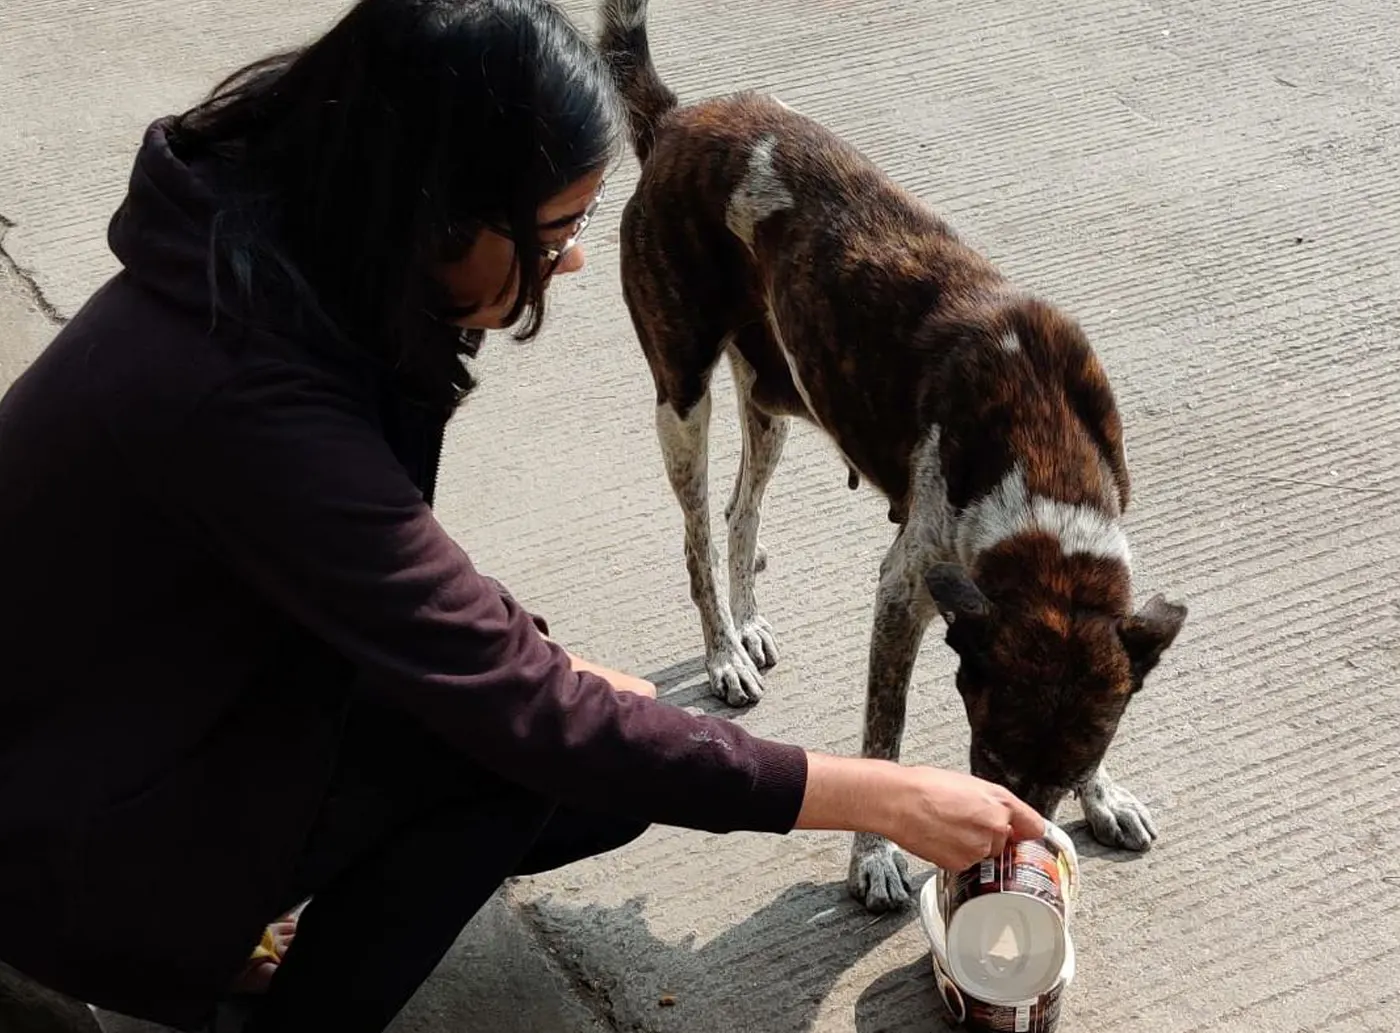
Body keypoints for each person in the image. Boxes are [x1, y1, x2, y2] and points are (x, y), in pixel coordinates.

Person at [0, 1, 1043, 1030]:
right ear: (436, 210)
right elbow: (516, 703)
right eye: (555, 230)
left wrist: (551, 672)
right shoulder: (249, 398)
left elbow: (375, 576)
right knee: (522, 751)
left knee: (599, 744)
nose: (573, 260)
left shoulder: (274, 270)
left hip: (104, 741)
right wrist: (883, 797)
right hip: (49, 839)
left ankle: (222, 906)